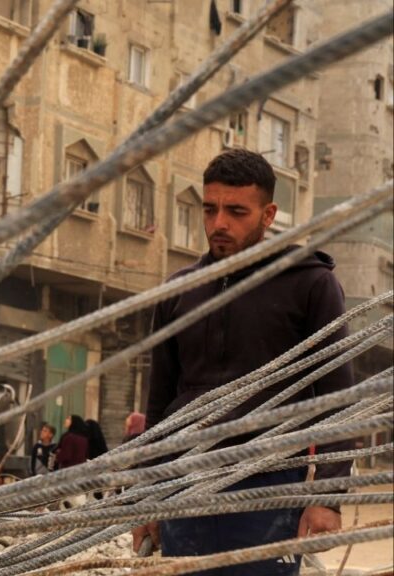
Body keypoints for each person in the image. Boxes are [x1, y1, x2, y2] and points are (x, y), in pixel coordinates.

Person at [131, 149, 353, 575]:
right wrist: (147, 495)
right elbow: (159, 404)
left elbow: (337, 399)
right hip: (185, 486)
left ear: (268, 215)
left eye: (236, 212)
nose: (219, 224)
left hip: (267, 489)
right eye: (210, 209)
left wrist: (327, 497)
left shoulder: (310, 284)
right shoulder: (179, 292)